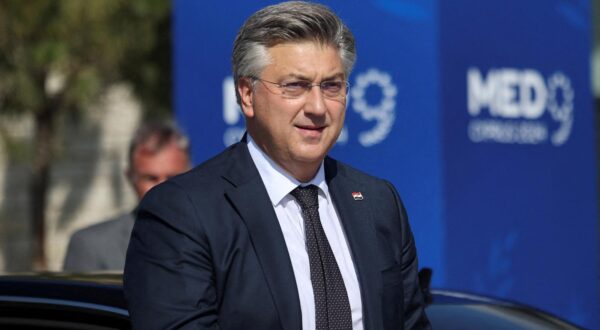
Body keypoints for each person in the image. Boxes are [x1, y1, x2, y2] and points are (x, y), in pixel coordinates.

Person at [124, 2, 430, 329]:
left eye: (332, 86)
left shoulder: (378, 203)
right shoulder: (183, 211)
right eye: (294, 86)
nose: (317, 107)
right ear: (247, 95)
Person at [63, 122, 190, 272]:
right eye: (151, 178)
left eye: (172, 177)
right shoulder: (91, 246)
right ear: (130, 177)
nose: (161, 189)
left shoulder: (216, 240)